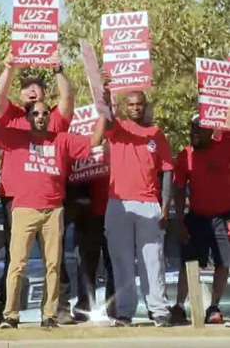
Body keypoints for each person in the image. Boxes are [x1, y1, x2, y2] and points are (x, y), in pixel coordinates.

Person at [0, 100, 104, 329]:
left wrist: (103, 109)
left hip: (53, 210)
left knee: (53, 265)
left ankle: (49, 315)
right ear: (29, 117)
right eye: (36, 113)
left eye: (44, 113)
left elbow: (94, 141)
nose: (41, 116)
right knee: (17, 264)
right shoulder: (17, 137)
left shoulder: (62, 139)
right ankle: (10, 315)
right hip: (24, 209)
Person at [0, 51, 74, 325]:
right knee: (15, 260)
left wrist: (59, 70)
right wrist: (9, 68)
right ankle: (7, 310)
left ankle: (54, 311)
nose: (32, 95)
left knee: (54, 260)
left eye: (37, 92)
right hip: (16, 199)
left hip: (50, 199)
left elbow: (68, 101)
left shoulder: (50, 119)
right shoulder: (12, 116)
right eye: (27, 91)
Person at [102, 89, 174, 327]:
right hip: (119, 203)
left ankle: (159, 310)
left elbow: (166, 171)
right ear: (125, 107)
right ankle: (125, 312)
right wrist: (106, 94)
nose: (135, 108)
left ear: (145, 106)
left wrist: (165, 207)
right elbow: (107, 118)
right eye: (131, 104)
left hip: (149, 204)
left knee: (152, 260)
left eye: (139, 104)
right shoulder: (117, 128)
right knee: (121, 260)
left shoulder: (156, 134)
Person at [169, 115, 230, 325]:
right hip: (196, 216)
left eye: (199, 130)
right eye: (192, 129)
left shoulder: (225, 145)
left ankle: (213, 307)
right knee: (189, 263)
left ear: (210, 130)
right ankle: (179, 306)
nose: (194, 133)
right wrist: (179, 220)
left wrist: (218, 106)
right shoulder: (185, 155)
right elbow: (178, 189)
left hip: (223, 216)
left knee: (223, 262)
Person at [70, 175, 116, 322]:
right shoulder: (84, 154)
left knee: (114, 264)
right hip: (86, 216)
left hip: (112, 212)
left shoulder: (117, 154)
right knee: (86, 265)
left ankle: (114, 306)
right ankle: (84, 306)